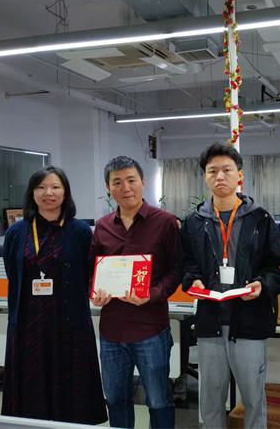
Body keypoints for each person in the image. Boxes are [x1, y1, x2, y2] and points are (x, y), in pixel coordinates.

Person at [180, 141, 280, 428]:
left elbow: (279, 269)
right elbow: (187, 264)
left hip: (249, 321)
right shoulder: (193, 222)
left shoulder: (261, 219)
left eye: (227, 170)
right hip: (210, 321)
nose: (220, 176)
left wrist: (261, 285)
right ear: (205, 176)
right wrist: (193, 280)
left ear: (239, 174)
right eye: (212, 171)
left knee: (253, 399)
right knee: (210, 399)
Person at [2, 166, 107, 424]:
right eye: (41, 187)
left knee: (71, 389)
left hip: (69, 324)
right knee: (31, 387)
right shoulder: (16, 232)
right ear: (32, 193)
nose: (48, 193)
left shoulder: (80, 231)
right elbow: (12, 273)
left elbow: (90, 272)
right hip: (28, 325)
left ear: (65, 193)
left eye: (55, 187)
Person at [89, 156, 181, 429]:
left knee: (159, 401)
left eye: (131, 180)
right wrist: (95, 293)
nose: (125, 187)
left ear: (142, 181)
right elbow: (92, 270)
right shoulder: (103, 226)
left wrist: (152, 294)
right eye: (117, 182)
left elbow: (176, 270)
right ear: (109, 188)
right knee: (116, 400)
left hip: (150, 329)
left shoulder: (165, 222)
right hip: (112, 331)